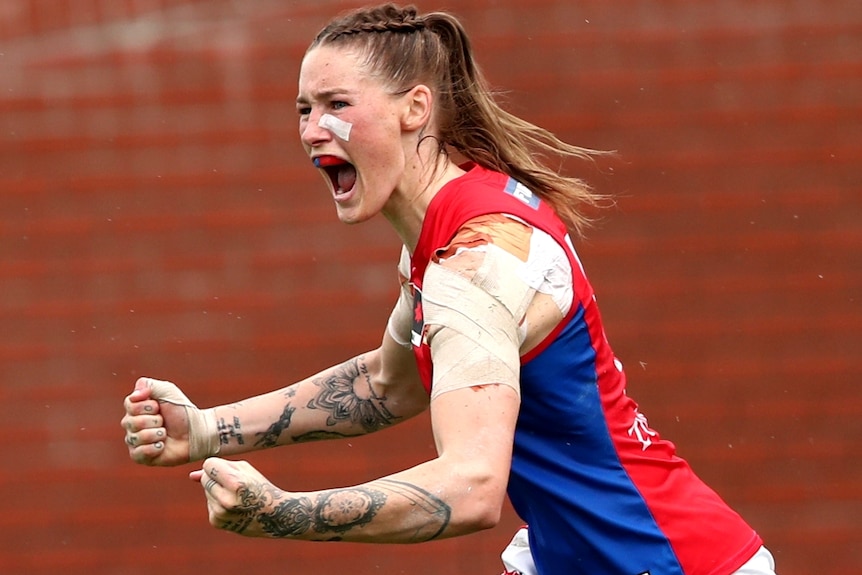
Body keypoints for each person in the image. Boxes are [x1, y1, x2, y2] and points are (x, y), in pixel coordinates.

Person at [121, 4, 778, 574]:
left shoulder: (474, 261)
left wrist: (285, 513)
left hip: (670, 558)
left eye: (337, 105)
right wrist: (208, 429)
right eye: (304, 108)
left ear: (416, 109)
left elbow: (471, 487)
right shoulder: (448, 230)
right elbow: (389, 382)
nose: (312, 129)